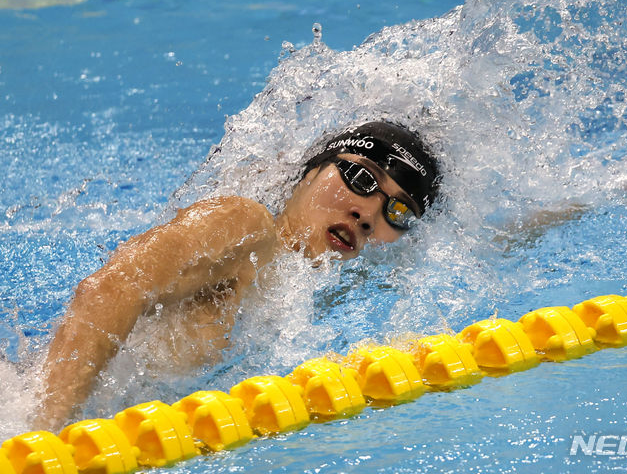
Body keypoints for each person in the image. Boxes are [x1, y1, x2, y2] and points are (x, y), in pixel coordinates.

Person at [36, 121, 440, 431]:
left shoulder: (315, 287)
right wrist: (50, 435)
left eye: (399, 212)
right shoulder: (245, 225)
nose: (368, 215)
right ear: (311, 172)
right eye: (361, 178)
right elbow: (110, 290)